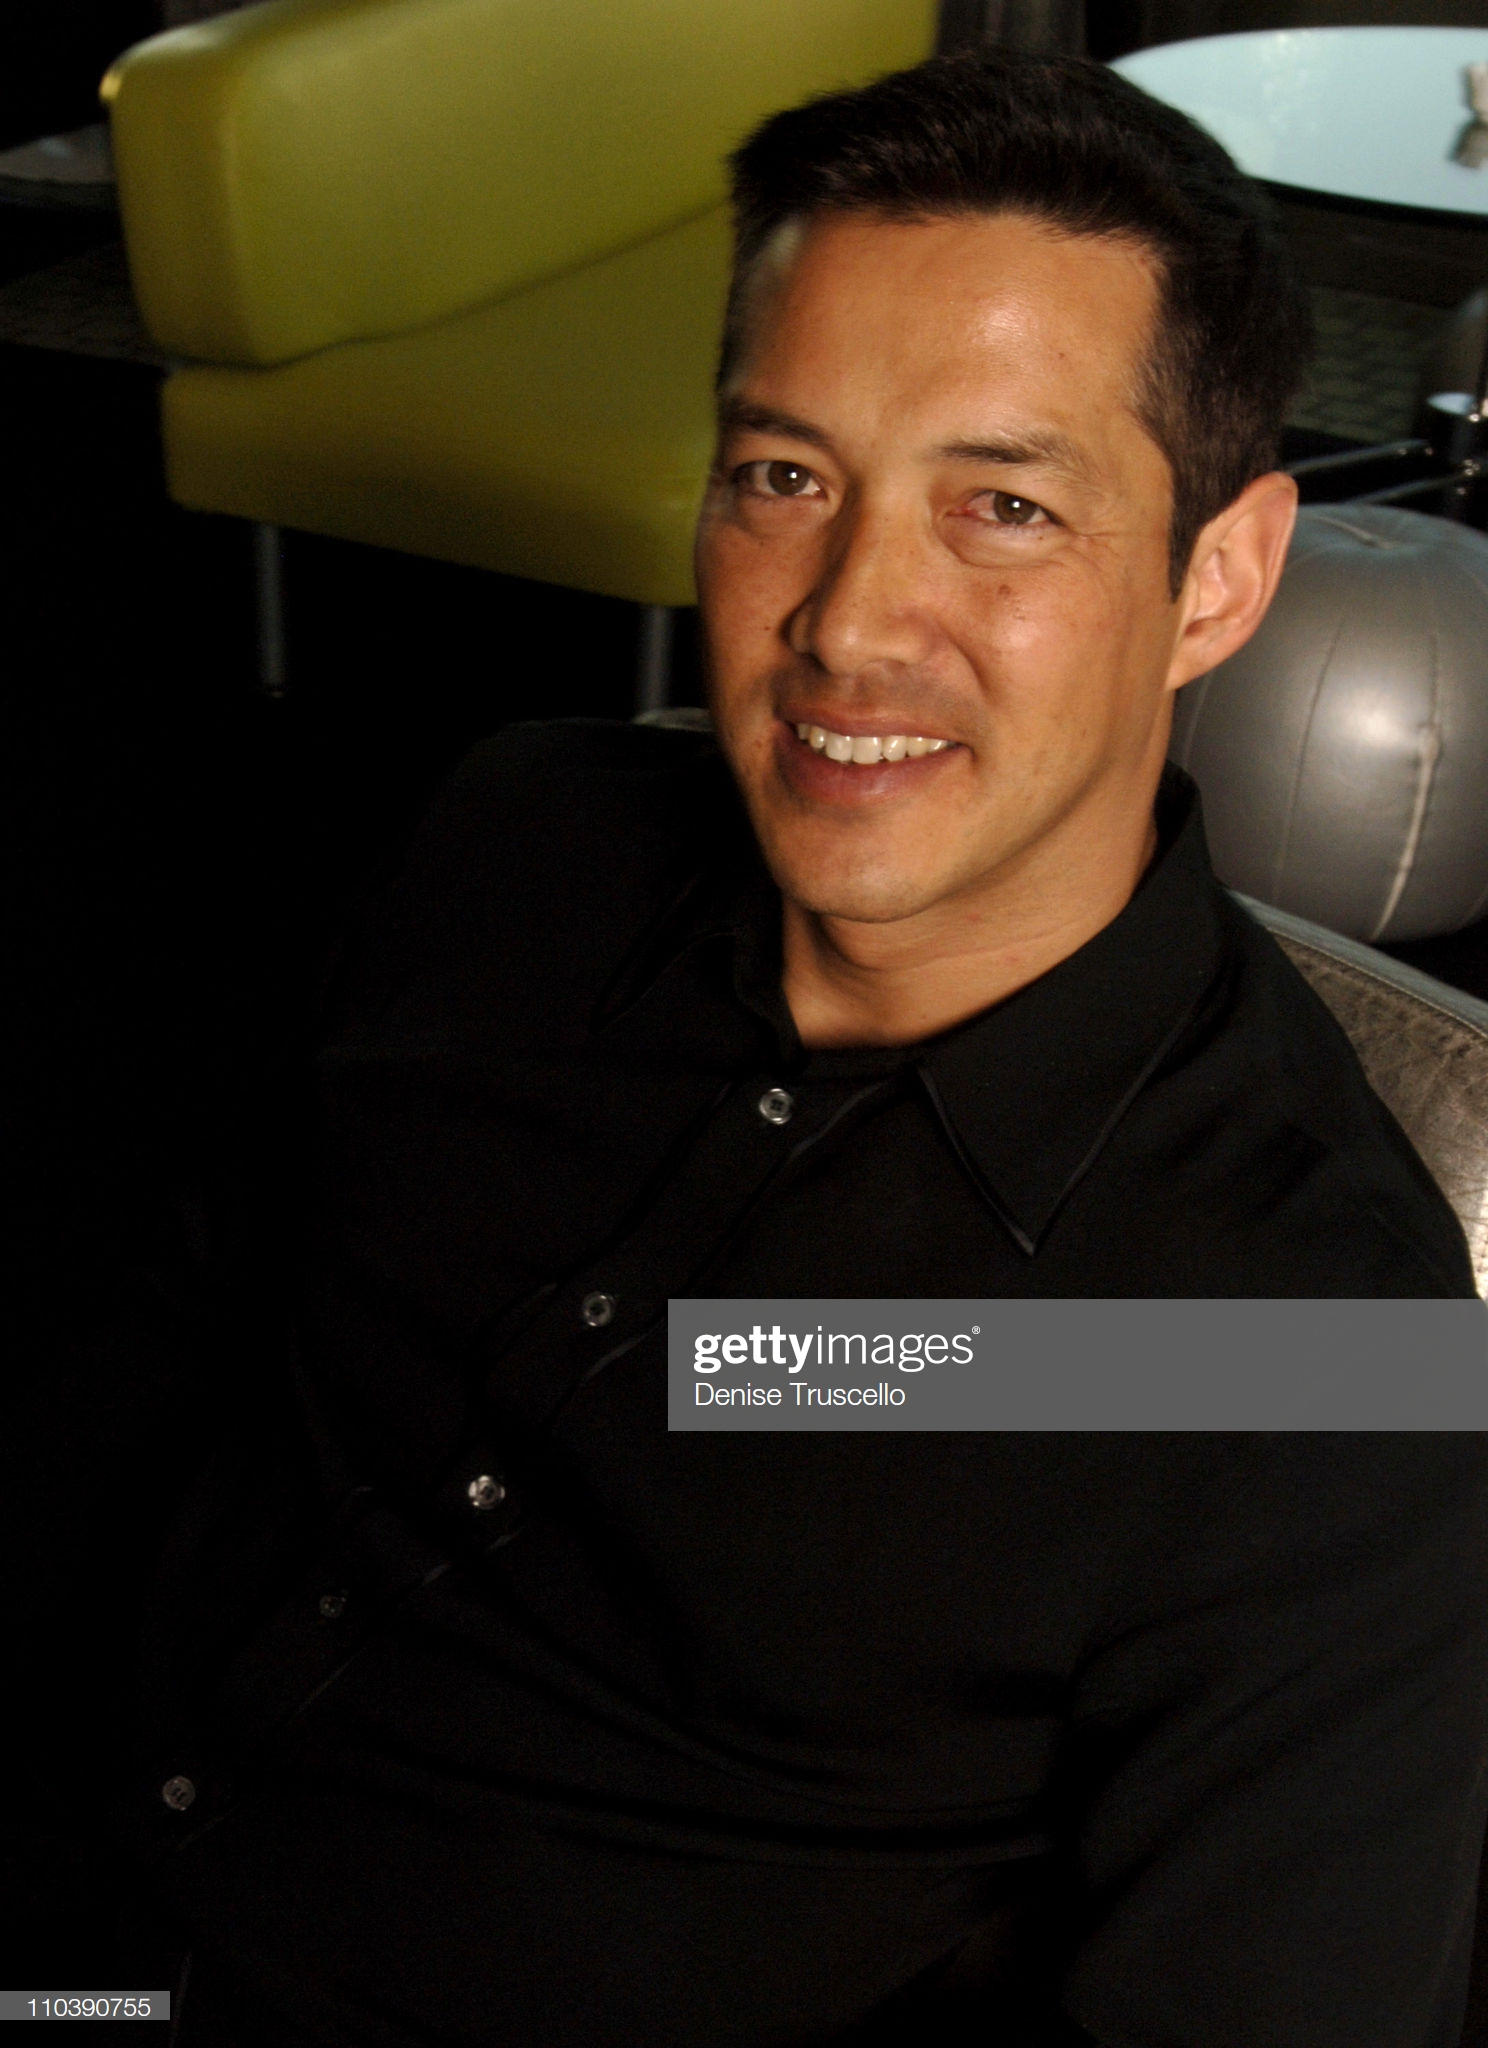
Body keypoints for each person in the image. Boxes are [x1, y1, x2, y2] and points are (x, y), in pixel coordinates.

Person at [117, 48, 1488, 2048]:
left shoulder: (1308, 1355)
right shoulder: (511, 835)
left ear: (1220, 578)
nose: (848, 619)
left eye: (1003, 507)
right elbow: (168, 1335)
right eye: (784, 477)